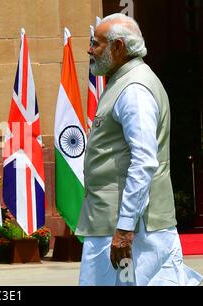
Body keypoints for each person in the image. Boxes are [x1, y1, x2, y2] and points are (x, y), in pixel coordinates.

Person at [75, 13, 202, 286]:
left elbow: (144, 161)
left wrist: (124, 228)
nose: (89, 50)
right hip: (124, 226)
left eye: (96, 43)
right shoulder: (126, 81)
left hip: (128, 229)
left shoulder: (133, 89)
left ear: (118, 47)